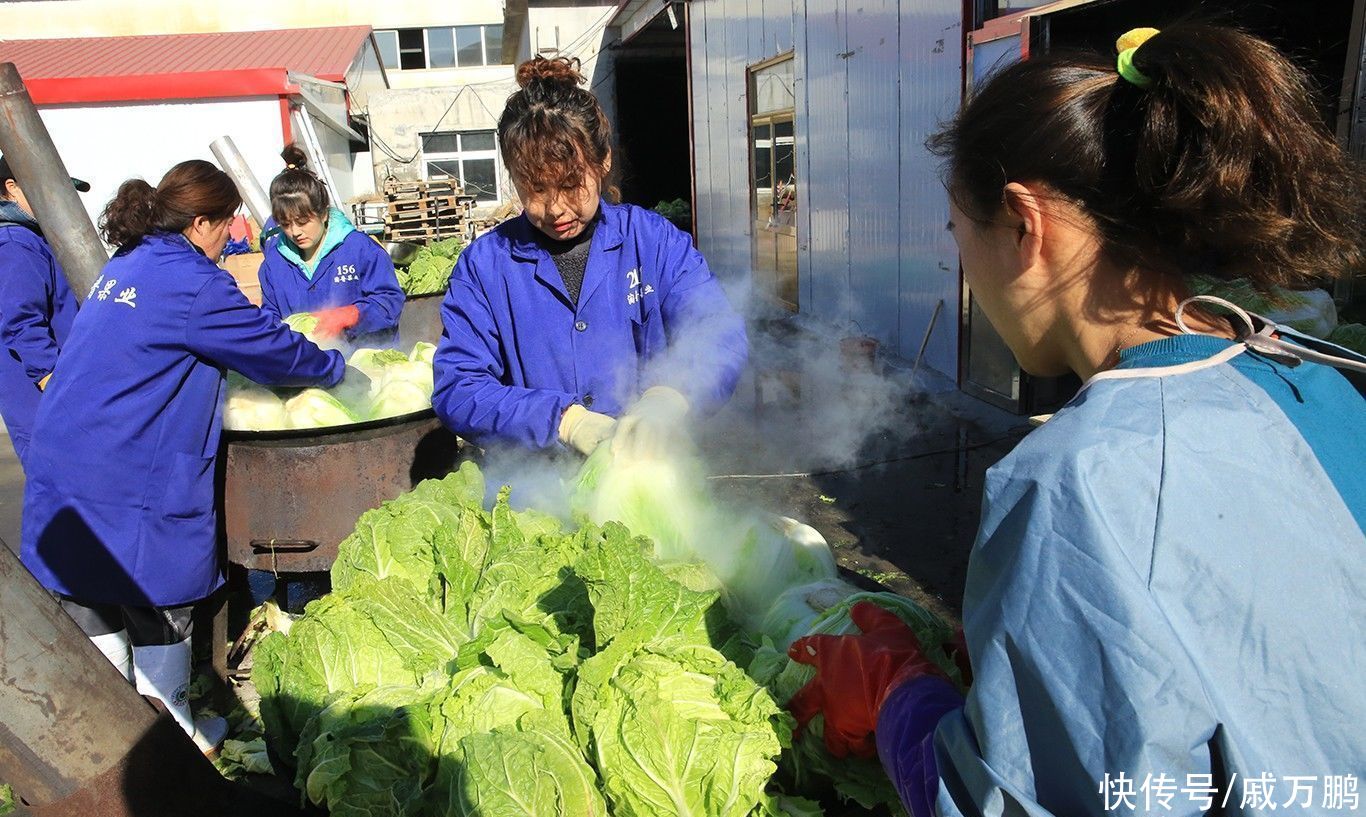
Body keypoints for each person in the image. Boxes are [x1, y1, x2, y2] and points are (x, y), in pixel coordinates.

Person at [786, 25, 1366, 817]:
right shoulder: (1313, 374)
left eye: (962, 238)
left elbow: (1017, 802)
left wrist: (897, 695)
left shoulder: (1077, 479)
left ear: (1025, 226)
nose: (968, 275)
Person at [20, 160, 350, 753]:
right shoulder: (193, 282)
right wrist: (336, 369)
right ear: (201, 223)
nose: (231, 236)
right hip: (124, 468)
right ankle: (173, 738)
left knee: (90, 593)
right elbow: (272, 352)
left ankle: (112, 734)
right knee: (156, 596)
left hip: (65, 453)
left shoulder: (130, 261)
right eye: (227, 225)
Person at [432, 56, 748, 460]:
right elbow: (458, 388)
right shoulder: (484, 267)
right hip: (535, 495)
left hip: (648, 479)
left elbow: (717, 331)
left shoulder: (653, 242)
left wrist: (671, 396)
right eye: (535, 189)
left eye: (570, 184)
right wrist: (562, 420)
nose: (556, 208)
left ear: (603, 163)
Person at [257, 144, 402, 346]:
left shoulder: (360, 250)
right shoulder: (273, 264)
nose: (295, 232)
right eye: (285, 224)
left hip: (366, 364)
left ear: (323, 214)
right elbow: (271, 316)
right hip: (307, 368)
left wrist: (351, 315)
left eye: (302, 221)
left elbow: (390, 302)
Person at [0, 155, 84, 466]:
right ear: (12, 187)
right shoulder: (15, 242)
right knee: (63, 493)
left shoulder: (32, 238)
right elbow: (22, 324)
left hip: (53, 400)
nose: (60, 202)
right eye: (52, 190)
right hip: (44, 404)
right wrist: (57, 385)